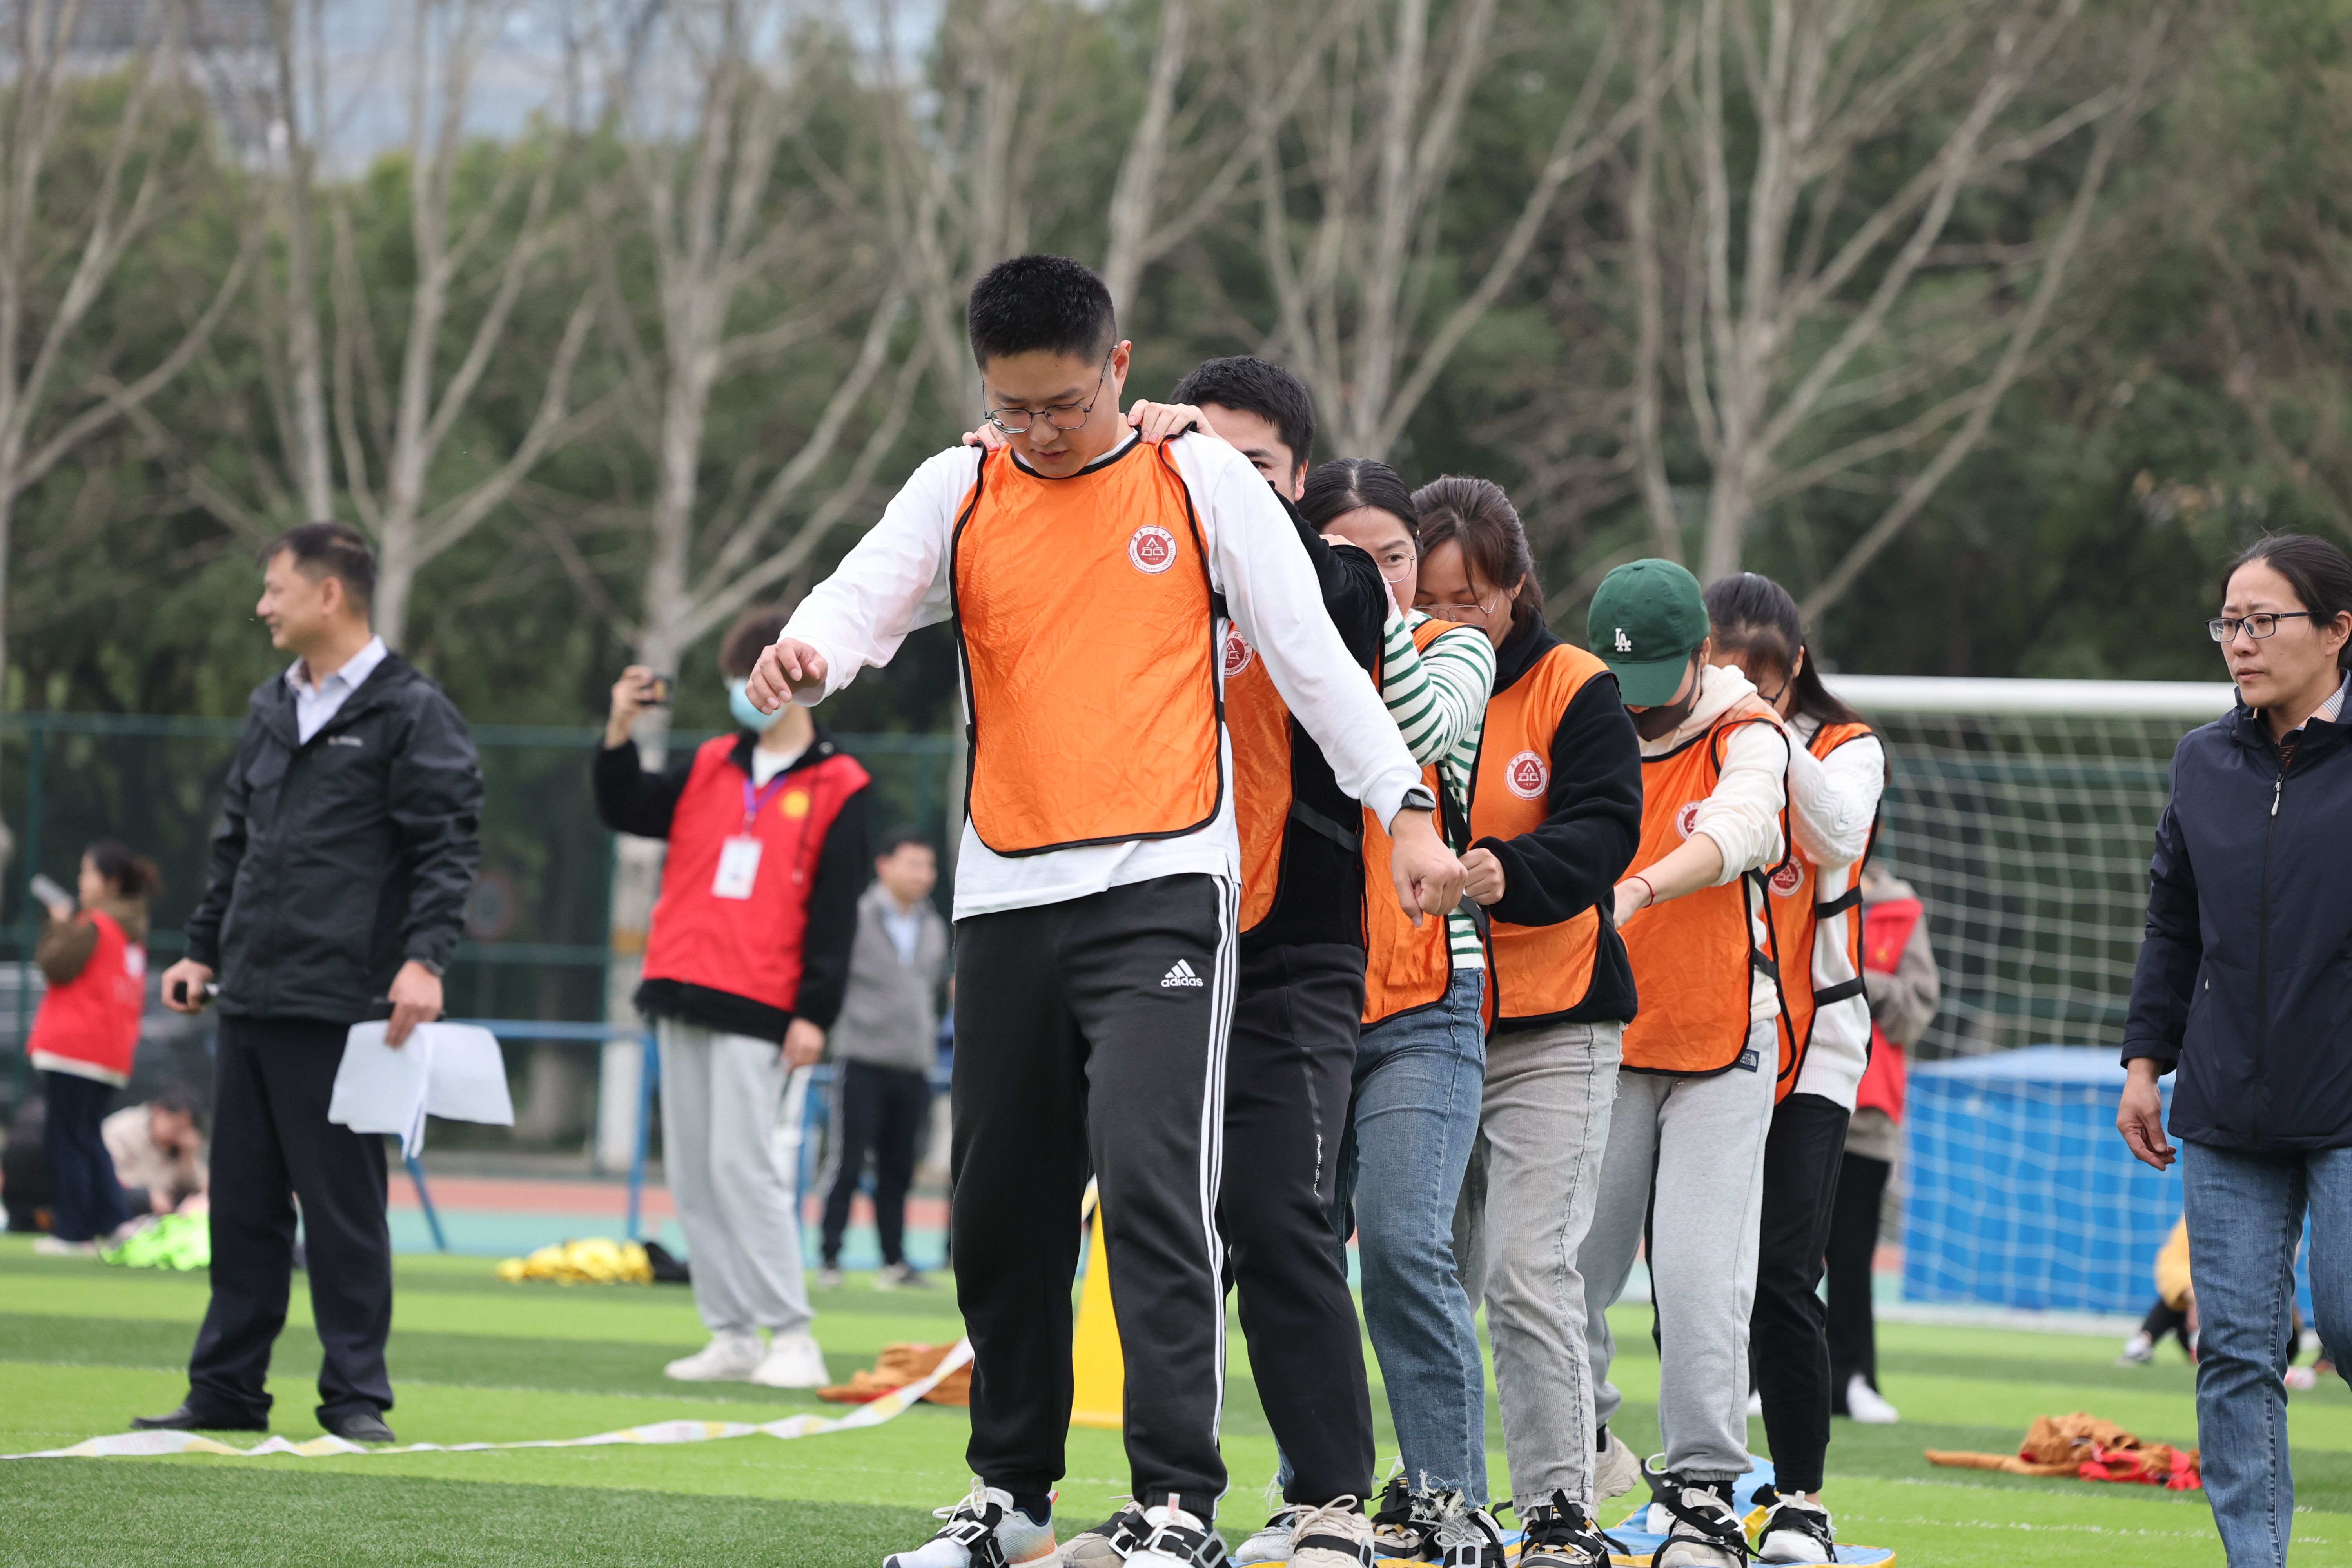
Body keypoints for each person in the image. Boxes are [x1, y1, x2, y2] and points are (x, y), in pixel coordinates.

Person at [745, 255, 1455, 1568]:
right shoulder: (960, 485)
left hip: (1164, 888)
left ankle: (1178, 1501)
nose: (1039, 432)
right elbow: (862, 598)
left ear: (1118, 370)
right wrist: (808, 652)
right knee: (999, 1211)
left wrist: (1404, 805)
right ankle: (1010, 1498)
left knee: (1152, 1188)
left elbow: (1310, 652)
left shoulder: (1198, 480)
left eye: (1064, 405)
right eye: (1012, 407)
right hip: (1006, 892)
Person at [1054, 362, 1408, 1568]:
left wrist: (1206, 471)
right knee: (1158, 1217)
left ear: (1296, 481)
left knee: (1272, 1210)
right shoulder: (1139, 573)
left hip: (1293, 950)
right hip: (1156, 946)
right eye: (1202, 454)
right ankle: (1172, 1502)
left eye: (1252, 464)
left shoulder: (1341, 578)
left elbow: (1337, 611)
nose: (1220, 480)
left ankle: (1331, 1502)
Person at [146, 522, 482, 1444]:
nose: (263, 605)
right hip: (249, 995)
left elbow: (447, 848)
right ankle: (226, 1388)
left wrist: (425, 960)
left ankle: (355, 1396)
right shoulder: (271, 704)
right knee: (241, 1207)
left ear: (329, 595)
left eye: (275, 588)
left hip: (344, 1001)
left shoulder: (412, 710)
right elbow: (235, 846)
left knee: (342, 1211)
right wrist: (201, 950)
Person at [2119, 535, 2352, 1567]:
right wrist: (2144, 1063)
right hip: (2222, 1105)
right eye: (2229, 622)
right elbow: (2173, 923)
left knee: (2349, 1321)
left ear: (2338, 630)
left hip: (2346, 1102)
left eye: (2264, 621)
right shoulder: (2202, 761)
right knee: (2235, 1354)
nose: (2241, 642)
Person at [1423, 479, 1641, 1568]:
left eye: (1468, 599)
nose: (1447, 621)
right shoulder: (1384, 683)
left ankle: (1559, 1505)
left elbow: (1607, 829)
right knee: (1421, 1268)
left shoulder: (1576, 686)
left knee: (1525, 1267)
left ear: (1515, 587)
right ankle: (1433, 1493)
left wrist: (1507, 870)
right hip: (1423, 1020)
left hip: (1554, 1022)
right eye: (1426, 600)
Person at [1577, 558, 1790, 1568]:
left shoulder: (1747, 730)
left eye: (1657, 680)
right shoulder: (1584, 715)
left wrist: (1641, 889)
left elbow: (1745, 827)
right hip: (1602, 1036)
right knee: (1565, 1271)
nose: (1638, 704)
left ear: (1702, 654)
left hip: (1721, 1039)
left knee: (1702, 1278)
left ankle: (1705, 1488)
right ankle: (1580, 1456)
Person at [595, 604, 870, 1388]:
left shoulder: (841, 783)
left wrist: (814, 1013)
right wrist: (619, 728)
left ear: (796, 682)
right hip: (680, 987)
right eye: (734, 678)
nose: (741, 692)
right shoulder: (711, 761)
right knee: (693, 1175)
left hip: (763, 1003)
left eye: (752, 676)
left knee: (744, 1168)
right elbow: (626, 808)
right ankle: (732, 1332)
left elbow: (836, 912)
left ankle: (793, 1334)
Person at [1704, 572, 1884, 1563]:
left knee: (1783, 1272)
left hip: (1816, 1043)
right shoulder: (1670, 732)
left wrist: (1760, 728)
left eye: (1763, 678)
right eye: (1724, 672)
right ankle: (1704, 1487)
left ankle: (1801, 1497)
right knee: (1695, 1272)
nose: (1743, 690)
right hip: (1705, 1031)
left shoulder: (1846, 747)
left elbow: (1835, 832)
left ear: (1795, 668)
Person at [1824, 859, 1935, 1424]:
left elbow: (1916, 1011)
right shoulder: (1789, 882)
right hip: (1787, 1098)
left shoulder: (1901, 911)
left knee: (1851, 1254)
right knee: (1779, 1255)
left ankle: (1854, 1379)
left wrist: (1858, 979)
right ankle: (1761, 1375)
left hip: (1867, 1112)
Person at [820, 828, 949, 1293]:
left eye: (928, 866)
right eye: (913, 864)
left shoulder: (934, 926)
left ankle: (894, 1261)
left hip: (913, 1066)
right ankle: (829, 1257)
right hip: (862, 1060)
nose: (923, 874)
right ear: (884, 865)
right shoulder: (856, 917)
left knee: (899, 1168)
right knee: (848, 1162)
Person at [28, 841, 162, 1255]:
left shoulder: (95, 925)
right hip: (111, 1051)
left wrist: (60, 924)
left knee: (66, 1139)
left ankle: (73, 1232)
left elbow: (55, 965)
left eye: (88, 873)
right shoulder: (132, 933)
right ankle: (115, 1221)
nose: (81, 881)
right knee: (87, 1138)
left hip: (76, 1047)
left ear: (111, 883)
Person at [105, 1084, 209, 1217]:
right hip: (124, 1211)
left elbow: (194, 1186)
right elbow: (107, 1181)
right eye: (176, 1127)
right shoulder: (122, 1131)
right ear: (158, 1111)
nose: (177, 1134)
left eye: (184, 1129)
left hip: (166, 1217)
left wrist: (188, 1155)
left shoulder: (183, 1142)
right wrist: (146, 1196)